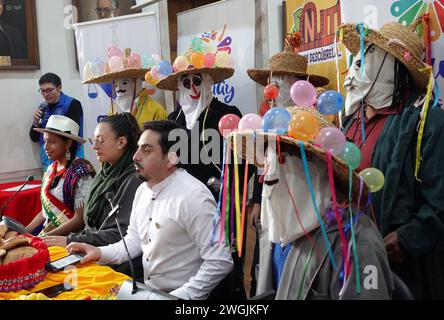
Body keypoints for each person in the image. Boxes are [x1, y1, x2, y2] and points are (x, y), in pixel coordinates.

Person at [233, 107, 394, 299]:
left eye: (282, 158)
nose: (267, 177)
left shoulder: (356, 244)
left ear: (314, 168)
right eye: (267, 162)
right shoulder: (277, 223)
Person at [66, 120, 234, 300]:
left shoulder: (193, 197)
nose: (135, 156)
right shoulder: (142, 190)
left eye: (146, 150)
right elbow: (133, 241)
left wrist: (181, 296)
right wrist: (99, 252)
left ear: (172, 158)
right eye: (138, 148)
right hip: (148, 291)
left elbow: (220, 261)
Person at [341, 19, 444, 299]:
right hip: (346, 255)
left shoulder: (427, 123)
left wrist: (408, 238)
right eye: (359, 55)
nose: (358, 64)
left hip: (403, 269)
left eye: (371, 53)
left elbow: (440, 201)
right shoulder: (350, 120)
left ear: (395, 66)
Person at [156, 43, 250, 300]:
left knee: (222, 266)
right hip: (181, 211)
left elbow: (244, 162)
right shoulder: (172, 120)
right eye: (185, 82)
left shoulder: (228, 114)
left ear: (208, 81)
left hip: (221, 207)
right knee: (188, 265)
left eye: (197, 80)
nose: (192, 88)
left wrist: (227, 186)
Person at [246, 43, 329, 296]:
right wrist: (257, 200)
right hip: (273, 202)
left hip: (305, 213)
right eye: (273, 80)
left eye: (284, 79)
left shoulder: (314, 123)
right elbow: (263, 165)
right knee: (270, 265)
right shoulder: (268, 118)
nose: (276, 86)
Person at [43, 113, 143, 279]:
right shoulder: (105, 173)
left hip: (117, 262)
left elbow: (120, 233)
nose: (94, 146)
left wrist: (72, 240)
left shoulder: (133, 178)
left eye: (101, 140)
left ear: (122, 142)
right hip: (93, 249)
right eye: (93, 140)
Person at [25, 115, 95, 237]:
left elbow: (80, 220)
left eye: (51, 142)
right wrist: (25, 231)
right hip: (50, 233)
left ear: (67, 143)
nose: (45, 147)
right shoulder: (51, 169)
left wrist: (45, 238)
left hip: (72, 240)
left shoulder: (81, 172)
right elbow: (46, 211)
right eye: (45, 141)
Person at [83, 49, 168, 128]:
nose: (119, 89)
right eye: (116, 85)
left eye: (124, 83)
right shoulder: (114, 109)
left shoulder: (156, 110)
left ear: (136, 82)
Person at [30, 73, 84, 172]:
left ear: (59, 87)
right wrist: (36, 122)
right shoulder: (43, 107)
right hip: (48, 160)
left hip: (68, 158)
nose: (46, 94)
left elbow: (74, 138)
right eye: (42, 91)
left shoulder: (72, 104)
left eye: (49, 90)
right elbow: (34, 138)